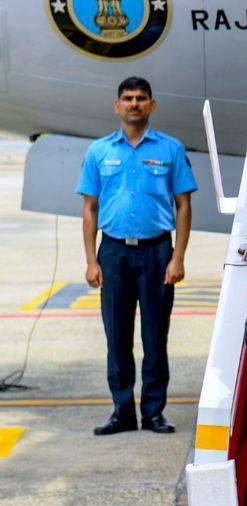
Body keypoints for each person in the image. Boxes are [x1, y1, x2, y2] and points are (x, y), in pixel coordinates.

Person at [77, 76, 198, 436]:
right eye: (128, 98)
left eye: (141, 98)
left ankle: (154, 412)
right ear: (117, 106)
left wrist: (178, 257)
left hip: (157, 252)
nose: (134, 104)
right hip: (113, 252)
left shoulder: (170, 149)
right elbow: (90, 207)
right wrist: (91, 260)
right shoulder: (99, 151)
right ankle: (122, 411)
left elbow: (184, 205)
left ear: (151, 105)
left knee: (155, 336)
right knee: (117, 336)